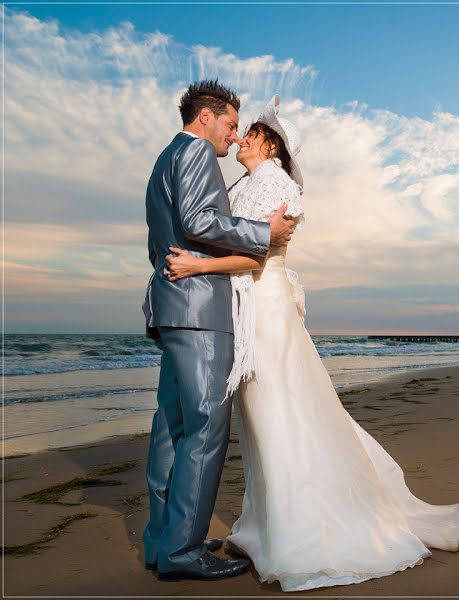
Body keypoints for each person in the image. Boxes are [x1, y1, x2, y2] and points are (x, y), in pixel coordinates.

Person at [163, 94, 459, 592]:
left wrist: (198, 265)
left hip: (266, 313)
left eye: (249, 132)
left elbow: (254, 257)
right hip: (246, 313)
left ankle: (301, 532)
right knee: (263, 423)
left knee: (280, 416)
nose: (241, 137)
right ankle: (269, 524)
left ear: (269, 145)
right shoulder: (243, 183)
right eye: (239, 129)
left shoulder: (277, 186)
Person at [142, 80, 297, 582]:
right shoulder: (194, 154)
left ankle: (163, 541)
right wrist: (262, 235)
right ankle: (183, 552)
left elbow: (168, 235)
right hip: (201, 309)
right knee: (206, 428)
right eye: (231, 125)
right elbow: (199, 219)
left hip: (172, 306)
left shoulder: (166, 158)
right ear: (205, 118)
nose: (233, 137)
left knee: (174, 427)